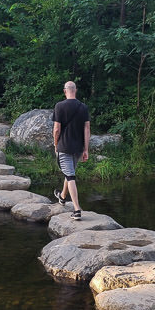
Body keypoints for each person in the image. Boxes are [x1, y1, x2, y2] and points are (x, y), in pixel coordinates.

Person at [52, 80, 90, 220]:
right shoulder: (83, 107)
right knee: (69, 173)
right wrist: (86, 149)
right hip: (78, 148)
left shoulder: (59, 106)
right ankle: (62, 197)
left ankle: (77, 210)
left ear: (65, 91)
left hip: (64, 146)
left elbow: (56, 130)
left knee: (70, 176)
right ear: (76, 90)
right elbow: (87, 129)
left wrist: (56, 144)